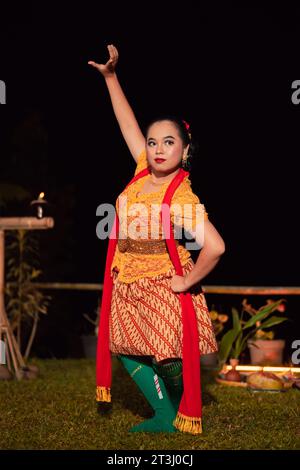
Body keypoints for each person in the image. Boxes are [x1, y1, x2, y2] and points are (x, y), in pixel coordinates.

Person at [88, 44, 225, 435]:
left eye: (169, 142)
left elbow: (214, 245)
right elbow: (127, 124)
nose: (158, 148)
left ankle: (182, 403)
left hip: (163, 280)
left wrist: (187, 280)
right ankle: (164, 413)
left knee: (168, 358)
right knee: (125, 348)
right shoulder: (140, 173)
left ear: (184, 151)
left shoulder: (180, 193)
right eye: (153, 142)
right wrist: (111, 79)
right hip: (125, 277)